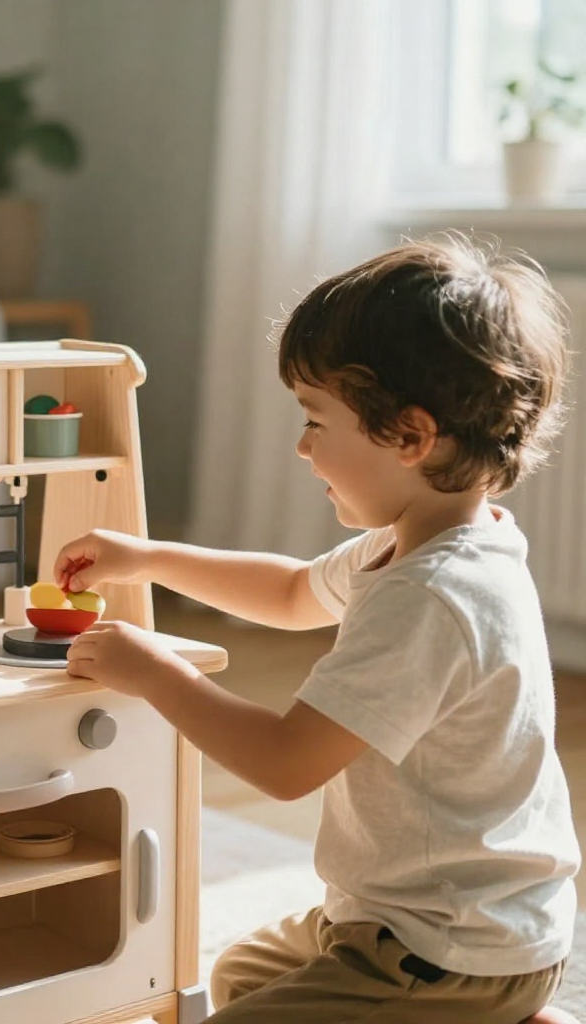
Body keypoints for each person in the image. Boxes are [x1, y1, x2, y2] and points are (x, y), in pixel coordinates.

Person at [55, 236, 581, 1023]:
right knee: (242, 976)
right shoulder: (428, 540)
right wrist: (149, 557)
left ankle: (492, 1011)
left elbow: (285, 762)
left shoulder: (431, 597)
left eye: (315, 420)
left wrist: (155, 672)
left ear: (410, 436)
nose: (302, 447)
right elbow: (295, 591)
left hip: (448, 950)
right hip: (417, 914)